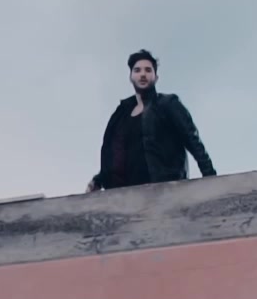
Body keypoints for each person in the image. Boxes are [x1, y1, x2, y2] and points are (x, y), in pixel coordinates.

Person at [86, 49, 217, 192]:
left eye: (148, 70)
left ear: (156, 77)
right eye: (137, 70)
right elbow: (116, 155)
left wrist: (210, 177)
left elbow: (192, 139)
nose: (143, 74)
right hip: (128, 194)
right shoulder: (122, 115)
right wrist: (99, 179)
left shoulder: (168, 104)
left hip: (165, 189)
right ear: (130, 77)